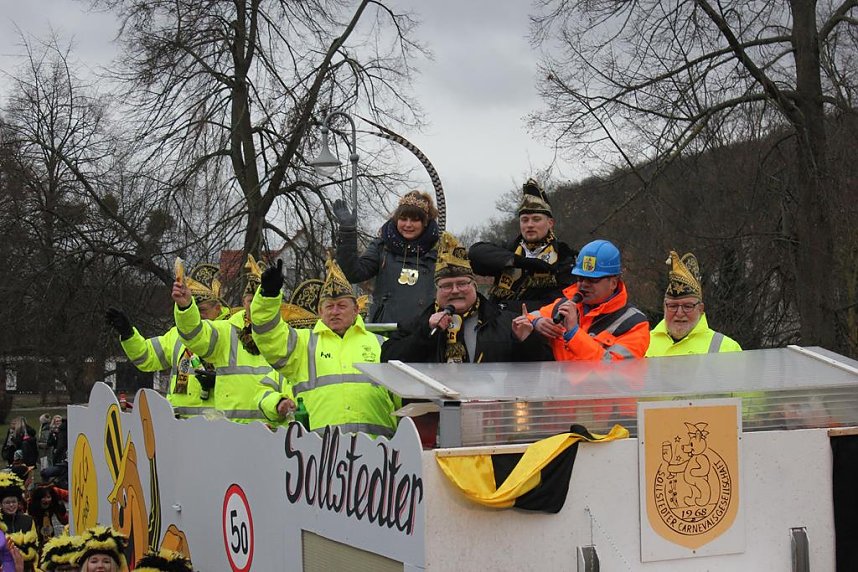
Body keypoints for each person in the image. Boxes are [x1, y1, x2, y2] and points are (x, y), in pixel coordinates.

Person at [251, 255, 399, 437]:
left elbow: (402, 398)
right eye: (329, 306)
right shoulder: (302, 344)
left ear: (356, 310)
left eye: (341, 306)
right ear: (320, 311)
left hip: (377, 448)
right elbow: (268, 335)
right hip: (321, 450)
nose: (335, 312)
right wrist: (268, 297)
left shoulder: (381, 344)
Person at [382, 232, 553, 363]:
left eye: (462, 283)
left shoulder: (506, 322)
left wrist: (527, 341)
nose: (455, 290)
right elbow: (388, 359)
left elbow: (543, 367)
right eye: (447, 286)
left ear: (474, 286)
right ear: (436, 291)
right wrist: (426, 332)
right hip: (435, 400)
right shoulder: (419, 322)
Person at [172, 255, 293, 425]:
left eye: (261, 300)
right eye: (251, 300)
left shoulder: (287, 336)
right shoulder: (226, 331)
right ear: (243, 302)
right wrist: (186, 308)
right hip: (232, 432)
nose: (255, 305)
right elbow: (195, 336)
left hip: (273, 432)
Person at [105, 263, 228, 418]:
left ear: (217, 308)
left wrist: (221, 381)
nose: (197, 315)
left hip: (216, 425)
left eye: (202, 310)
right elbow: (146, 357)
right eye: (193, 310)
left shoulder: (231, 332)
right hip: (178, 424)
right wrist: (128, 334)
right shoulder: (177, 335)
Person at [514, 239, 650, 361]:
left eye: (593, 279)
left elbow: (615, 369)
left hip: (600, 383)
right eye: (580, 278)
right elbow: (529, 316)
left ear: (613, 283)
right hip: (560, 382)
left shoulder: (634, 323)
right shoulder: (563, 305)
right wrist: (536, 322)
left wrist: (574, 333)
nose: (584, 284)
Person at [334, 190, 440, 325]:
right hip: (386, 329)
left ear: (425, 222)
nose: (408, 225)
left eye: (415, 220)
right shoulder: (381, 247)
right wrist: (347, 231)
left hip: (424, 330)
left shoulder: (437, 251)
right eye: (403, 219)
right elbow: (353, 273)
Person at [469, 179, 577, 310]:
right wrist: (518, 262)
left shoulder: (563, 256)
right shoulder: (510, 248)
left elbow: (558, 301)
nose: (530, 225)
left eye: (536, 219)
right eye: (524, 220)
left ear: (550, 223)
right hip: (497, 318)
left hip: (535, 319)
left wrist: (508, 307)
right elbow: (475, 254)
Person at [646, 251, 743, 356]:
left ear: (700, 309)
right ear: (664, 307)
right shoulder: (643, 343)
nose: (679, 313)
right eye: (673, 306)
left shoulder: (728, 348)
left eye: (687, 306)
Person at [40, 417, 67, 488]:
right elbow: (49, 443)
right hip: (56, 452)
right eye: (56, 421)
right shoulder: (53, 432)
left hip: (61, 455)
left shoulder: (62, 431)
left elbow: (61, 445)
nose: (58, 422)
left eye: (59, 421)